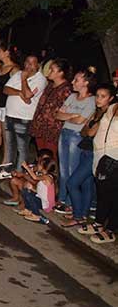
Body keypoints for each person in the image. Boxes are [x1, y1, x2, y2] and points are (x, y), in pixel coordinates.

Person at [63, 82, 112, 231]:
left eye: (103, 97)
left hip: (95, 153)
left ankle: (78, 216)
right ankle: (82, 214)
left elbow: (89, 132)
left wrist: (88, 128)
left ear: (110, 99)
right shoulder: (96, 112)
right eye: (97, 96)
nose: (98, 99)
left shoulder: (108, 114)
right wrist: (88, 128)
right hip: (85, 149)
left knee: (72, 182)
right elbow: (84, 131)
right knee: (86, 184)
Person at [0, 54, 47, 178]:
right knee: (10, 145)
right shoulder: (19, 74)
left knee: (22, 148)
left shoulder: (40, 79)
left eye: (32, 63)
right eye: (27, 62)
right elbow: (6, 89)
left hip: (24, 118)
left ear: (38, 65)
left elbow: (28, 95)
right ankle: (8, 171)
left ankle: (19, 173)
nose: (29, 65)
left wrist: (24, 80)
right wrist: (19, 93)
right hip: (10, 114)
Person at [54, 68, 96, 216]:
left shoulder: (91, 101)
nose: (72, 82)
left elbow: (80, 121)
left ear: (86, 82)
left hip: (76, 135)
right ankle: (62, 200)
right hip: (65, 133)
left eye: (76, 80)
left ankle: (71, 204)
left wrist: (69, 116)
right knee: (63, 169)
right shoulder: (72, 97)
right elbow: (58, 115)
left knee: (72, 170)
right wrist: (73, 115)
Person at [90, 87, 118, 244]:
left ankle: (111, 229)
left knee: (114, 195)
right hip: (102, 157)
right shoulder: (113, 107)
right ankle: (99, 223)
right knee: (102, 192)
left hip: (116, 159)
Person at [29, 58, 73, 159]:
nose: (49, 72)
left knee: (49, 156)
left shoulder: (66, 89)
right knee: (41, 154)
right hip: (40, 127)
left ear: (61, 73)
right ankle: (40, 173)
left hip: (52, 130)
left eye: (52, 70)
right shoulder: (49, 86)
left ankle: (48, 174)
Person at [0, 42, 20, 165]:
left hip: (7, 106)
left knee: (6, 135)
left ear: (7, 53)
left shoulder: (15, 69)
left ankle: (6, 160)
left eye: (0, 51)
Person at [18, 155, 57, 224]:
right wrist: (32, 188)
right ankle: (28, 210)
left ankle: (36, 215)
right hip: (41, 200)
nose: (37, 166)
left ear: (43, 167)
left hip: (46, 204)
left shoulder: (47, 177)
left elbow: (35, 178)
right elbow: (42, 192)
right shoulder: (44, 176)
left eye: (39, 164)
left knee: (28, 195)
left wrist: (27, 167)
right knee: (26, 190)